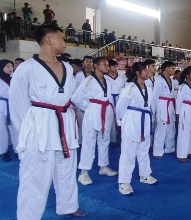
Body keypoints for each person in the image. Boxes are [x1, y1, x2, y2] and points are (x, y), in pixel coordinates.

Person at [9, 24, 86, 220]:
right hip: (39, 125)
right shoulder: (27, 68)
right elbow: (17, 104)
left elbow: (69, 96)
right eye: (61, 38)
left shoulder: (67, 67)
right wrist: (26, 132)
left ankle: (68, 206)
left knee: (67, 168)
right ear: (49, 39)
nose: (65, 42)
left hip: (64, 123)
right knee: (34, 175)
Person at [72, 57, 118, 186]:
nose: (106, 66)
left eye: (107, 64)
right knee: (89, 142)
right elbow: (76, 98)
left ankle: (103, 167)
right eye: (104, 64)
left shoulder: (108, 81)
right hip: (93, 112)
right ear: (96, 66)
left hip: (106, 111)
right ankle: (84, 172)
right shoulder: (89, 80)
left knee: (104, 140)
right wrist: (88, 107)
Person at [116, 62, 157, 195]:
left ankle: (145, 174)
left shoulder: (149, 87)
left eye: (147, 70)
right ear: (137, 73)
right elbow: (120, 106)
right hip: (132, 119)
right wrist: (121, 120)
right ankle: (124, 182)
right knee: (129, 151)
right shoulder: (130, 87)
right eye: (144, 70)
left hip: (144, 119)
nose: (147, 72)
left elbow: (149, 105)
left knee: (144, 148)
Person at [152, 60, 177, 158]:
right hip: (162, 104)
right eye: (172, 68)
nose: (173, 70)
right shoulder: (158, 79)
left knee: (171, 127)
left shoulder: (172, 80)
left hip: (170, 105)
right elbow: (154, 96)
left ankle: (169, 148)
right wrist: (154, 109)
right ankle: (157, 151)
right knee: (161, 128)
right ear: (166, 69)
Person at [175, 66, 191, 161]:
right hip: (185, 109)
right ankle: (181, 155)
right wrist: (177, 113)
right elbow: (179, 101)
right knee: (184, 132)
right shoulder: (182, 87)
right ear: (187, 76)